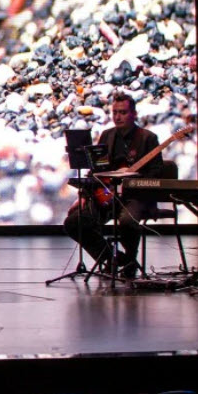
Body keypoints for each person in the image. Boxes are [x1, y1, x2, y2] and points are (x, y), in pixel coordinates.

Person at [62, 91, 164, 275]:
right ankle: (111, 257)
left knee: (127, 221)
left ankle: (131, 260)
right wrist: (84, 196)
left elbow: (157, 172)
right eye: (115, 112)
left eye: (123, 112)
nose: (118, 117)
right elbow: (96, 171)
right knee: (74, 221)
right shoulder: (107, 136)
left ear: (134, 114)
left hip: (136, 198)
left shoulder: (148, 138)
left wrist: (134, 176)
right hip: (107, 196)